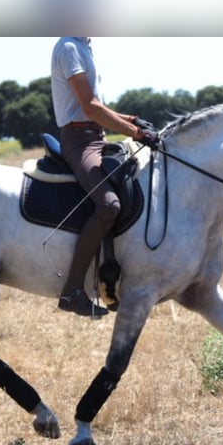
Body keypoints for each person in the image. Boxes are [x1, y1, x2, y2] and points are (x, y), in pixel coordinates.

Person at [50, 37, 160, 318]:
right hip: (79, 141)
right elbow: (90, 108)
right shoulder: (69, 48)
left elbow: (97, 105)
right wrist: (135, 133)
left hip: (96, 136)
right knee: (108, 205)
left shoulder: (83, 46)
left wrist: (131, 120)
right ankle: (73, 290)